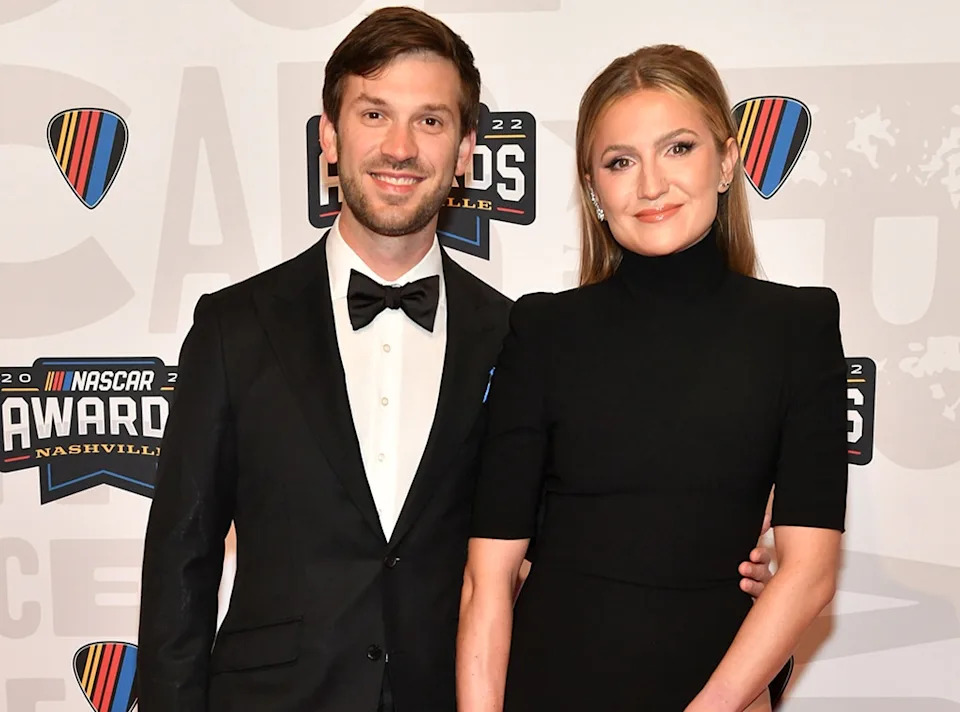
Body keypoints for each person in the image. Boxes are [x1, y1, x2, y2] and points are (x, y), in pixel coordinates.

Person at [137, 11, 775, 711]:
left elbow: (586, 545)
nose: (400, 147)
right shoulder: (234, 327)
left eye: (431, 121)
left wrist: (740, 581)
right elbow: (180, 559)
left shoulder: (520, 337)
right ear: (329, 136)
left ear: (467, 148)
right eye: (374, 113)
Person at [457, 44, 847, 712]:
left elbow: (809, 574)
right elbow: (486, 581)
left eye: (678, 149)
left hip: (720, 695)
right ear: (593, 188)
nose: (651, 185)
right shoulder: (543, 332)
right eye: (621, 161)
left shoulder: (799, 327)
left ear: (727, 162)